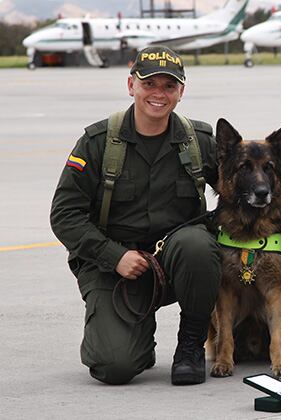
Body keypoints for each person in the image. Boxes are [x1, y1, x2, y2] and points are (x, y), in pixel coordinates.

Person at [50, 46, 220, 385]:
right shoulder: (98, 142)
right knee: (116, 367)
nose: (159, 94)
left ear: (181, 92)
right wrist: (114, 256)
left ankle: (190, 345)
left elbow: (240, 192)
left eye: (169, 86)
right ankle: (135, 339)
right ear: (131, 86)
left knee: (198, 246)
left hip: (177, 262)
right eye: (149, 84)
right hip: (115, 266)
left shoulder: (199, 141)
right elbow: (64, 214)